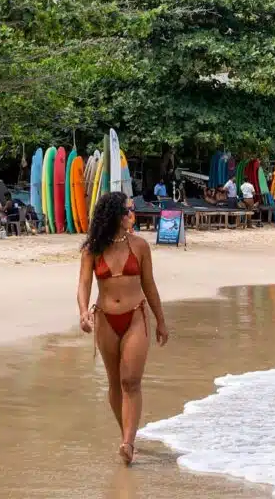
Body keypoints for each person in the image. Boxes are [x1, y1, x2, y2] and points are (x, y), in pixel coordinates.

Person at [77, 192, 169, 465]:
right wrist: (83, 311)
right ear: (115, 216)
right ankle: (126, 435)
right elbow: (83, 284)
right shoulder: (92, 249)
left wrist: (161, 321)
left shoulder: (140, 246)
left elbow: (149, 285)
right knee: (115, 382)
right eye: (128, 211)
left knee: (131, 380)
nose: (132, 214)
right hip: (105, 318)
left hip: (135, 317)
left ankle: (128, 442)